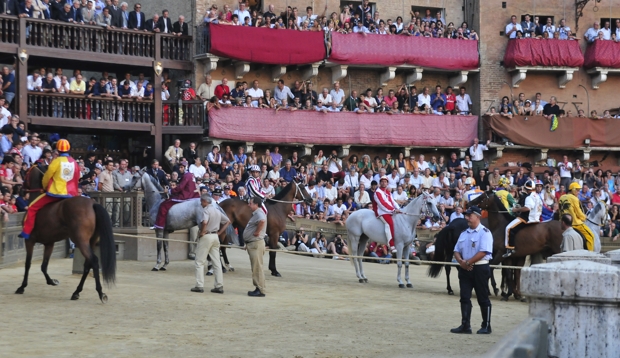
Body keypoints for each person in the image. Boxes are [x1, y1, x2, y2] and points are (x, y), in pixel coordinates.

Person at [20, 139, 80, 239]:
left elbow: (47, 177)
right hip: (71, 195)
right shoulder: (74, 162)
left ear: (58, 150)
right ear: (68, 149)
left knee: (32, 207)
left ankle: (26, 232)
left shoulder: (56, 161)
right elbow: (77, 177)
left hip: (55, 194)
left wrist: (44, 188)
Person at [450, 206, 493, 335]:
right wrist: (461, 262)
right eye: (466, 215)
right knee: (464, 297)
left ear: (477, 216)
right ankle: (465, 325)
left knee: (483, 298)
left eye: (469, 216)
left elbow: (484, 251)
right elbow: (456, 250)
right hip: (465, 267)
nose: (466, 218)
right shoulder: (464, 233)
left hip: (480, 268)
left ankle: (486, 325)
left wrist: (467, 262)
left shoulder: (485, 232)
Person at [191, 195, 230, 293]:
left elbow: (204, 222)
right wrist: (220, 233)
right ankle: (219, 285)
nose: (201, 203)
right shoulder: (217, 210)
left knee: (199, 261)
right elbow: (227, 221)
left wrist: (202, 232)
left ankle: (199, 285)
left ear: (205, 201)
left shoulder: (206, 211)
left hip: (207, 236)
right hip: (215, 236)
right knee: (216, 262)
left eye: (201, 202)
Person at [152, 164, 199, 230]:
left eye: (181, 167)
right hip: (194, 195)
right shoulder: (191, 175)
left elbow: (180, 187)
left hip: (186, 196)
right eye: (179, 167)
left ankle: (160, 225)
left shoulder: (186, 175)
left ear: (185, 167)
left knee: (163, 205)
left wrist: (169, 191)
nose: (180, 169)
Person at [503, 180, 542, 258]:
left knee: (508, 228)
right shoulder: (537, 195)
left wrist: (516, 210)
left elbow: (527, 208)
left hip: (527, 219)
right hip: (537, 218)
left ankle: (510, 249)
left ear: (526, 188)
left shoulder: (529, 197)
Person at [559, 182, 595, 251]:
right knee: (591, 237)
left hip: (562, 222)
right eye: (578, 190)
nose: (578, 192)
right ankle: (590, 255)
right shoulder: (575, 199)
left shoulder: (561, 197)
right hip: (575, 223)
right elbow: (579, 213)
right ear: (573, 190)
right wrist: (585, 217)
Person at [244, 197, 267, 297]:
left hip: (256, 243)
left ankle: (260, 289)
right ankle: (259, 287)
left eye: (250, 203)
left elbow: (262, 221)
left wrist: (257, 232)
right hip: (253, 243)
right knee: (257, 266)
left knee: (257, 267)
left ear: (256, 204)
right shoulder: (257, 213)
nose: (249, 205)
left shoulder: (258, 213)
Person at [374, 175, 401, 252]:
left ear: (387, 183)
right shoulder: (377, 192)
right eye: (382, 182)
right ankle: (391, 245)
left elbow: (393, 202)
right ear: (380, 183)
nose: (383, 183)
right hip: (381, 212)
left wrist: (398, 208)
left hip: (389, 211)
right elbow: (382, 204)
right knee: (389, 224)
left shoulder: (388, 192)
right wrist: (393, 210)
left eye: (385, 182)